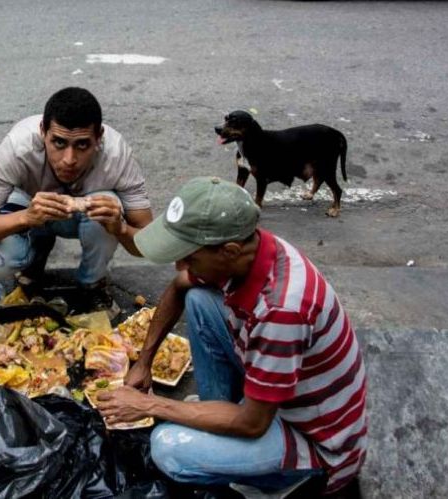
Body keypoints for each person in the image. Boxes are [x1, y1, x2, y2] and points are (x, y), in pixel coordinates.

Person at [96, 177, 367, 495]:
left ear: (230, 251)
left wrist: (150, 406)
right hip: (280, 392)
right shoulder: (249, 252)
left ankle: (281, 481)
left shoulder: (282, 310)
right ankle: (218, 412)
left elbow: (253, 424)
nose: (180, 264)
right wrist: (144, 362)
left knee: (167, 448)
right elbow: (180, 286)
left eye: (190, 256)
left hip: (313, 438)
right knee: (198, 298)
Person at [0, 87, 153, 302]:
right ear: (43, 131)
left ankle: (91, 283)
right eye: (59, 143)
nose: (69, 159)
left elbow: (148, 244)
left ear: (99, 137)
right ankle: (33, 259)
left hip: (83, 220)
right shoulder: (19, 147)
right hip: (28, 207)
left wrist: (121, 228)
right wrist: (25, 218)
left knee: (109, 205)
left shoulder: (116, 154)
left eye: (82, 145)